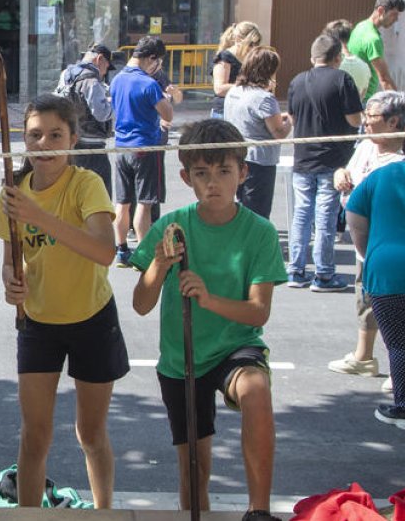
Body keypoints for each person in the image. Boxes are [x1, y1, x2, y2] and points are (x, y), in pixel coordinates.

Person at [130, 119, 288, 521]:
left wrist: (208, 298)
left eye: (223, 172)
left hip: (237, 345)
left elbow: (258, 312)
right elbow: (141, 304)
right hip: (181, 358)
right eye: (201, 173)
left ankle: (259, 511)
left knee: (255, 391)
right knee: (193, 469)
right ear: (185, 177)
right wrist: (160, 265)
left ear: (243, 172)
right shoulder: (171, 225)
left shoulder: (260, 232)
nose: (212, 183)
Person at [0, 95, 127, 509]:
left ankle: (105, 510)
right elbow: (10, 262)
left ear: (73, 139)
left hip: (91, 318)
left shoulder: (86, 184)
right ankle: (28, 514)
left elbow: (105, 251)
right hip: (38, 324)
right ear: (24, 141)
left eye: (56, 134)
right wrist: (11, 284)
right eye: (35, 135)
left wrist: (40, 218)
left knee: (90, 433)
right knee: (34, 434)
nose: (45, 144)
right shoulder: (13, 192)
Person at [327, 91, 405, 390]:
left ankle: (400, 371)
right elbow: (346, 172)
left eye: (371, 118)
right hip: (368, 247)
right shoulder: (366, 147)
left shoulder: (402, 161)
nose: (365, 124)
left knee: (396, 311)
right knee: (366, 299)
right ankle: (364, 357)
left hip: (388, 245)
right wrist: (339, 175)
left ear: (394, 122)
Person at [345, 128, 405, 430]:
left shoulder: (382, 175)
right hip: (392, 267)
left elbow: (355, 219)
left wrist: (369, 251)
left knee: (400, 344)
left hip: (389, 269)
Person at [286, 34, 363, 292]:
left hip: (303, 157)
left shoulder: (297, 81)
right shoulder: (342, 80)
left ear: (312, 57)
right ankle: (324, 274)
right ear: (338, 58)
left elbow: (293, 119)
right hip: (333, 160)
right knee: (325, 217)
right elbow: (354, 121)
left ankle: (296, 270)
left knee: (301, 215)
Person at [110, 36, 174, 267]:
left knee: (122, 202)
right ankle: (145, 254)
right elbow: (167, 114)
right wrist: (165, 99)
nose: (158, 68)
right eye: (159, 63)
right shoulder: (148, 84)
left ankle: (121, 249)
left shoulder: (117, 80)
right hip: (145, 146)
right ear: (152, 58)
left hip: (121, 147)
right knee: (144, 204)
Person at [223, 48, 292, 219]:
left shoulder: (234, 92)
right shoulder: (264, 98)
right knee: (257, 211)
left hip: (235, 155)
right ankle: (254, 244)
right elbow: (279, 133)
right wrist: (291, 119)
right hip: (259, 160)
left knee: (238, 207)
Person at [55, 44, 114, 195]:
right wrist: (114, 104)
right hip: (92, 146)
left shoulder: (67, 74)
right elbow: (101, 114)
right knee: (101, 193)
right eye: (107, 67)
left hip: (72, 141)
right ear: (100, 59)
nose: (105, 72)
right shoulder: (91, 81)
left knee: (74, 191)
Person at [347, 0, 405, 98]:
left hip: (351, 97)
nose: (396, 19)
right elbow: (384, 79)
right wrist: (402, 106)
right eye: (394, 14)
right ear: (381, 10)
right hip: (363, 101)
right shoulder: (373, 39)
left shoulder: (360, 26)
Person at [211, 22, 262, 119]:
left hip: (245, 110)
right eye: (251, 44)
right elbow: (219, 89)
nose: (254, 47)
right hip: (224, 112)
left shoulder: (252, 58)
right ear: (238, 39)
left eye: (257, 43)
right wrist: (248, 86)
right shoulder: (225, 57)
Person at [324, 19, 371, 102]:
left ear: (330, 39)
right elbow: (362, 95)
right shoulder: (365, 66)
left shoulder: (330, 66)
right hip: (355, 112)